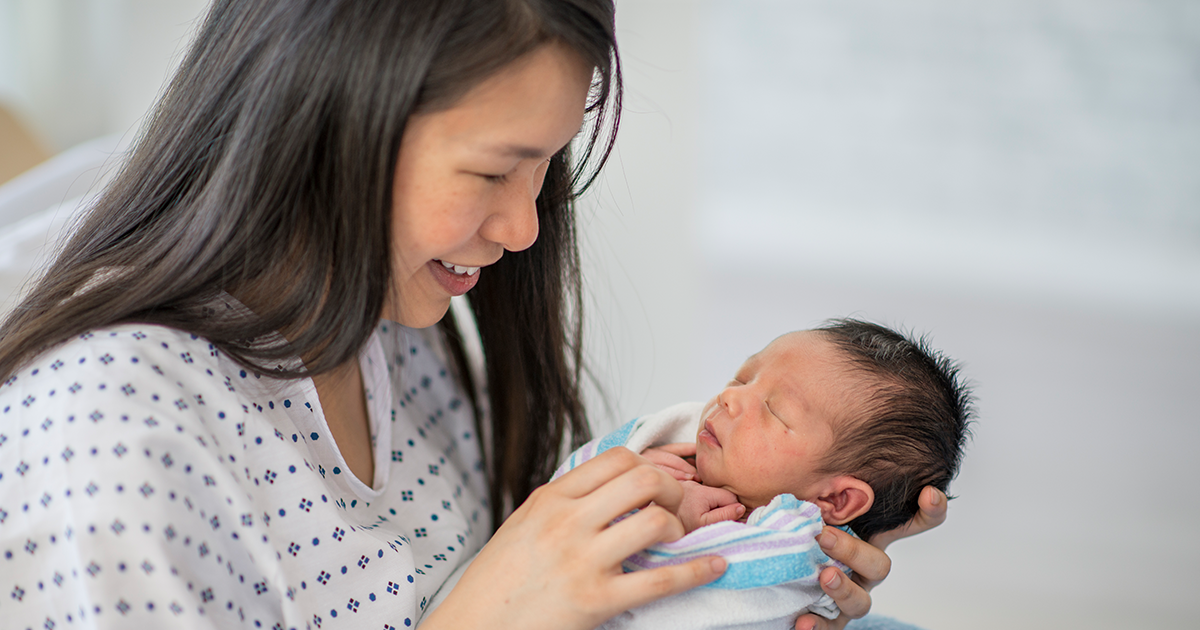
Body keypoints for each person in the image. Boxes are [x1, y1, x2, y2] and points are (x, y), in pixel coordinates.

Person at [0, 2, 947, 629]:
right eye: (495, 169)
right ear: (326, 119)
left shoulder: (388, 326)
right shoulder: (106, 435)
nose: (526, 229)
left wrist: (764, 558)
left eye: (547, 169)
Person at [552, 319, 973, 629]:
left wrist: (662, 520)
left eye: (774, 410)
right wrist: (628, 481)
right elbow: (556, 516)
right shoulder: (671, 455)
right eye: (743, 377)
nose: (730, 396)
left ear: (836, 501)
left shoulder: (790, 546)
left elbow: (701, 584)